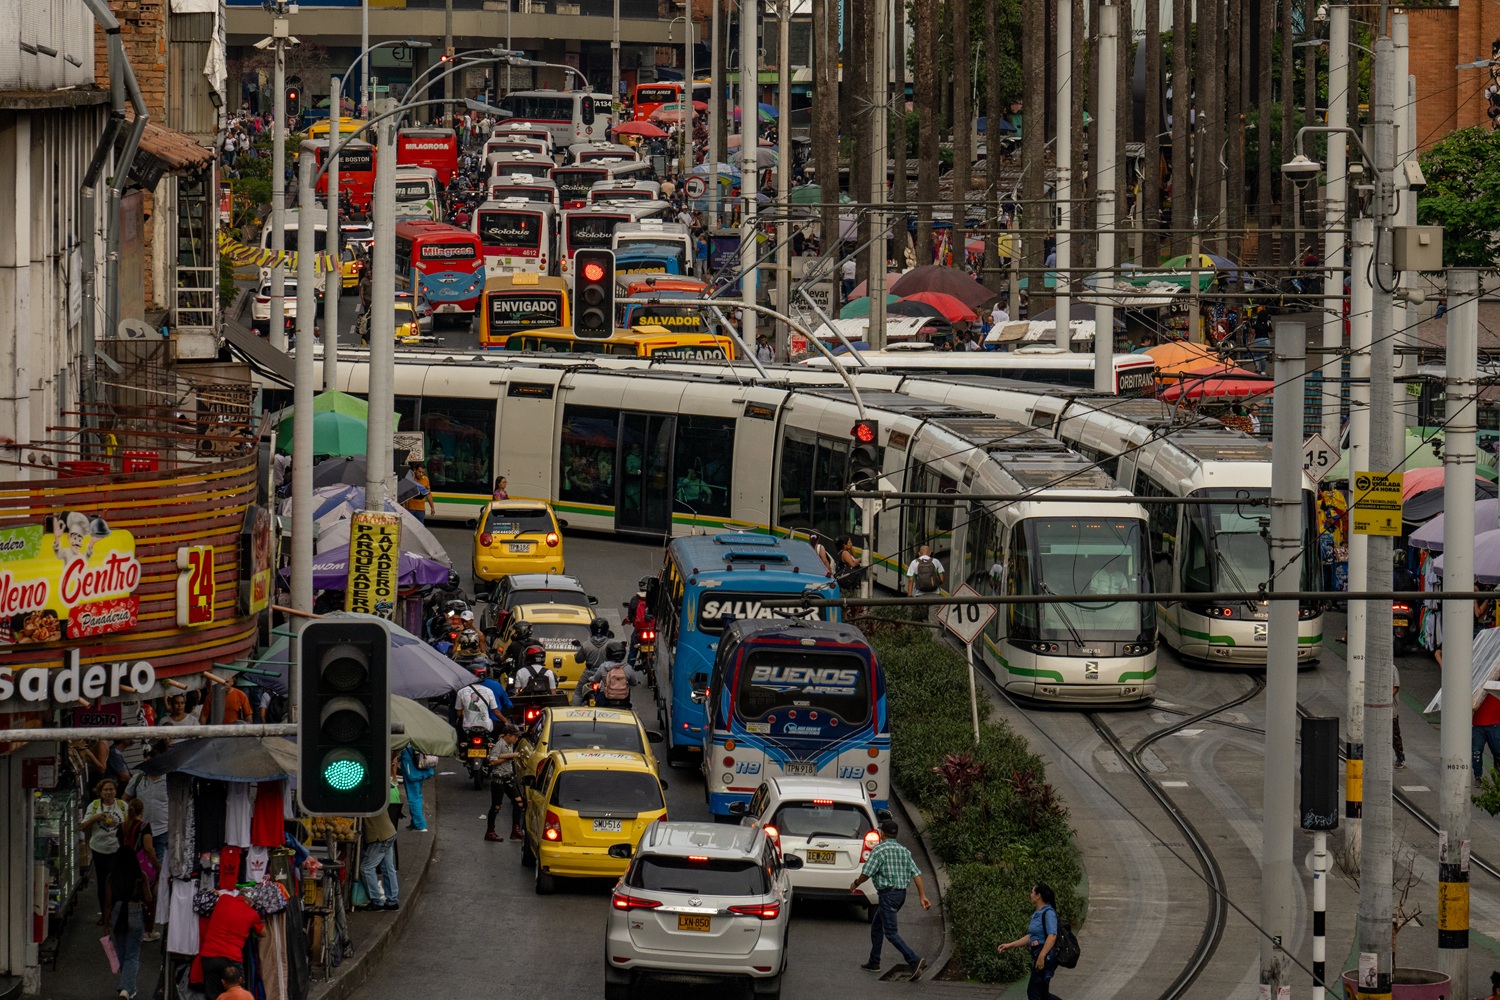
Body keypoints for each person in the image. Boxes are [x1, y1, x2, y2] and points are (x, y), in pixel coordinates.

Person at [850, 818, 930, 978]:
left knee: (891, 932)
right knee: (877, 926)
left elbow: (867, 872)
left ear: (881, 833)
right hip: (900, 895)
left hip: (888, 895)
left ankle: (913, 960)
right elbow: (917, 874)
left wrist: (855, 884)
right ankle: (874, 962)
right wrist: (922, 896)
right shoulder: (904, 851)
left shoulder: (879, 850)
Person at [195, 888, 265, 996]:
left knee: (213, 995)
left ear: (238, 895)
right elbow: (263, 933)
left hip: (209, 956)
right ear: (251, 903)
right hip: (231, 959)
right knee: (237, 995)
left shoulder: (224, 899)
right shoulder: (252, 914)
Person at [104, 840, 151, 1000]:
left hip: (117, 912)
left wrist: (105, 924)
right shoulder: (140, 876)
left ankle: (127, 988)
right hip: (135, 910)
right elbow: (149, 898)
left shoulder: (112, 877)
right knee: (132, 954)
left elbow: (108, 903)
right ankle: (126, 989)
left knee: (122, 952)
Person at [997, 883, 1062, 1000]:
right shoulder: (1038, 913)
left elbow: (1052, 936)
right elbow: (1032, 937)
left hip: (1044, 958)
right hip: (1039, 955)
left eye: (1032, 892)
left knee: (1033, 993)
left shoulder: (1048, 913)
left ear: (1038, 896)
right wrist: (1010, 945)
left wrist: (1042, 956)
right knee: (1043, 994)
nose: (1030, 895)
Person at [82, 778, 127, 922]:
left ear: (115, 791)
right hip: (99, 849)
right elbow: (82, 826)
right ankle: (105, 914)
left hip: (117, 849)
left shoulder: (122, 805)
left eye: (111, 789)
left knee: (116, 882)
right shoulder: (94, 806)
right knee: (102, 883)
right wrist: (95, 818)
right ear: (100, 792)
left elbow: (129, 825)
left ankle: (116, 912)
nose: (108, 792)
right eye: (105, 790)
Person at [484, 724, 525, 842]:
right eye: (515, 737)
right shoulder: (499, 745)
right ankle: (490, 832)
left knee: (519, 803)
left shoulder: (510, 745)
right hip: (498, 779)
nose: (516, 739)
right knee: (496, 806)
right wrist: (508, 757)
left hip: (508, 778)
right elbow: (493, 761)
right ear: (508, 735)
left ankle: (515, 830)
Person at [357, 803, 400, 910]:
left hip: (380, 837)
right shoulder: (377, 795)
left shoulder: (363, 798)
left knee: (366, 868)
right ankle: (392, 901)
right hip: (389, 832)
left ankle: (376, 901)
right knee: (388, 867)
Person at [397, 744, 436, 831]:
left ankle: (420, 824)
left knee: (413, 797)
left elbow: (398, 754)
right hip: (419, 768)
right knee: (417, 795)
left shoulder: (405, 741)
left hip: (411, 770)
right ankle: (415, 822)